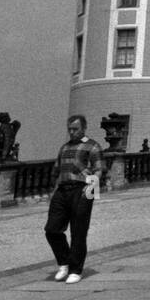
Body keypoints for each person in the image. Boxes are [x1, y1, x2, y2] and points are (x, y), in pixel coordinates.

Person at [45, 115, 104, 284]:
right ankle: (64, 262)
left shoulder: (92, 145)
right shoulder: (64, 147)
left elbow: (99, 170)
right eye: (69, 129)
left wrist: (91, 189)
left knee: (78, 232)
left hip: (83, 190)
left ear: (83, 128)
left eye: (75, 129)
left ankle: (76, 269)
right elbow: (56, 170)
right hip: (63, 190)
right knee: (52, 229)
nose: (71, 132)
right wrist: (53, 190)